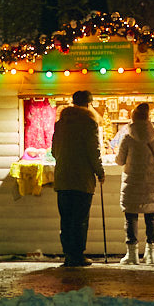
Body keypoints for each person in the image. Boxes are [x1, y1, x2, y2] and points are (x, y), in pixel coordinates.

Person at [51, 89, 105, 267]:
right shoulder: (89, 123)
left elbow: (54, 151)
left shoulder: (61, 122)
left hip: (63, 177)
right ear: (89, 103)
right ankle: (78, 255)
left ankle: (68, 255)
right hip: (82, 179)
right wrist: (100, 172)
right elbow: (93, 151)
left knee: (66, 218)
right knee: (80, 219)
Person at [114, 102, 154, 265]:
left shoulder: (127, 138)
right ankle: (150, 256)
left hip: (132, 183)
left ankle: (132, 254)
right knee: (152, 217)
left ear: (133, 118)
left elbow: (120, 161)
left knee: (131, 216)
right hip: (152, 183)